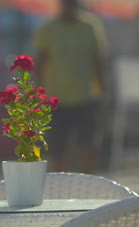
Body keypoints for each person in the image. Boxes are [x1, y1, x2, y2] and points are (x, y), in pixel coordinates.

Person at [33, 0, 106, 173]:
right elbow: (40, 63)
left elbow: (98, 62)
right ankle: (61, 188)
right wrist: (39, 96)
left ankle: (87, 187)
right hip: (55, 100)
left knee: (87, 146)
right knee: (58, 150)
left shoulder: (89, 26)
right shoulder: (48, 28)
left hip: (85, 97)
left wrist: (102, 92)